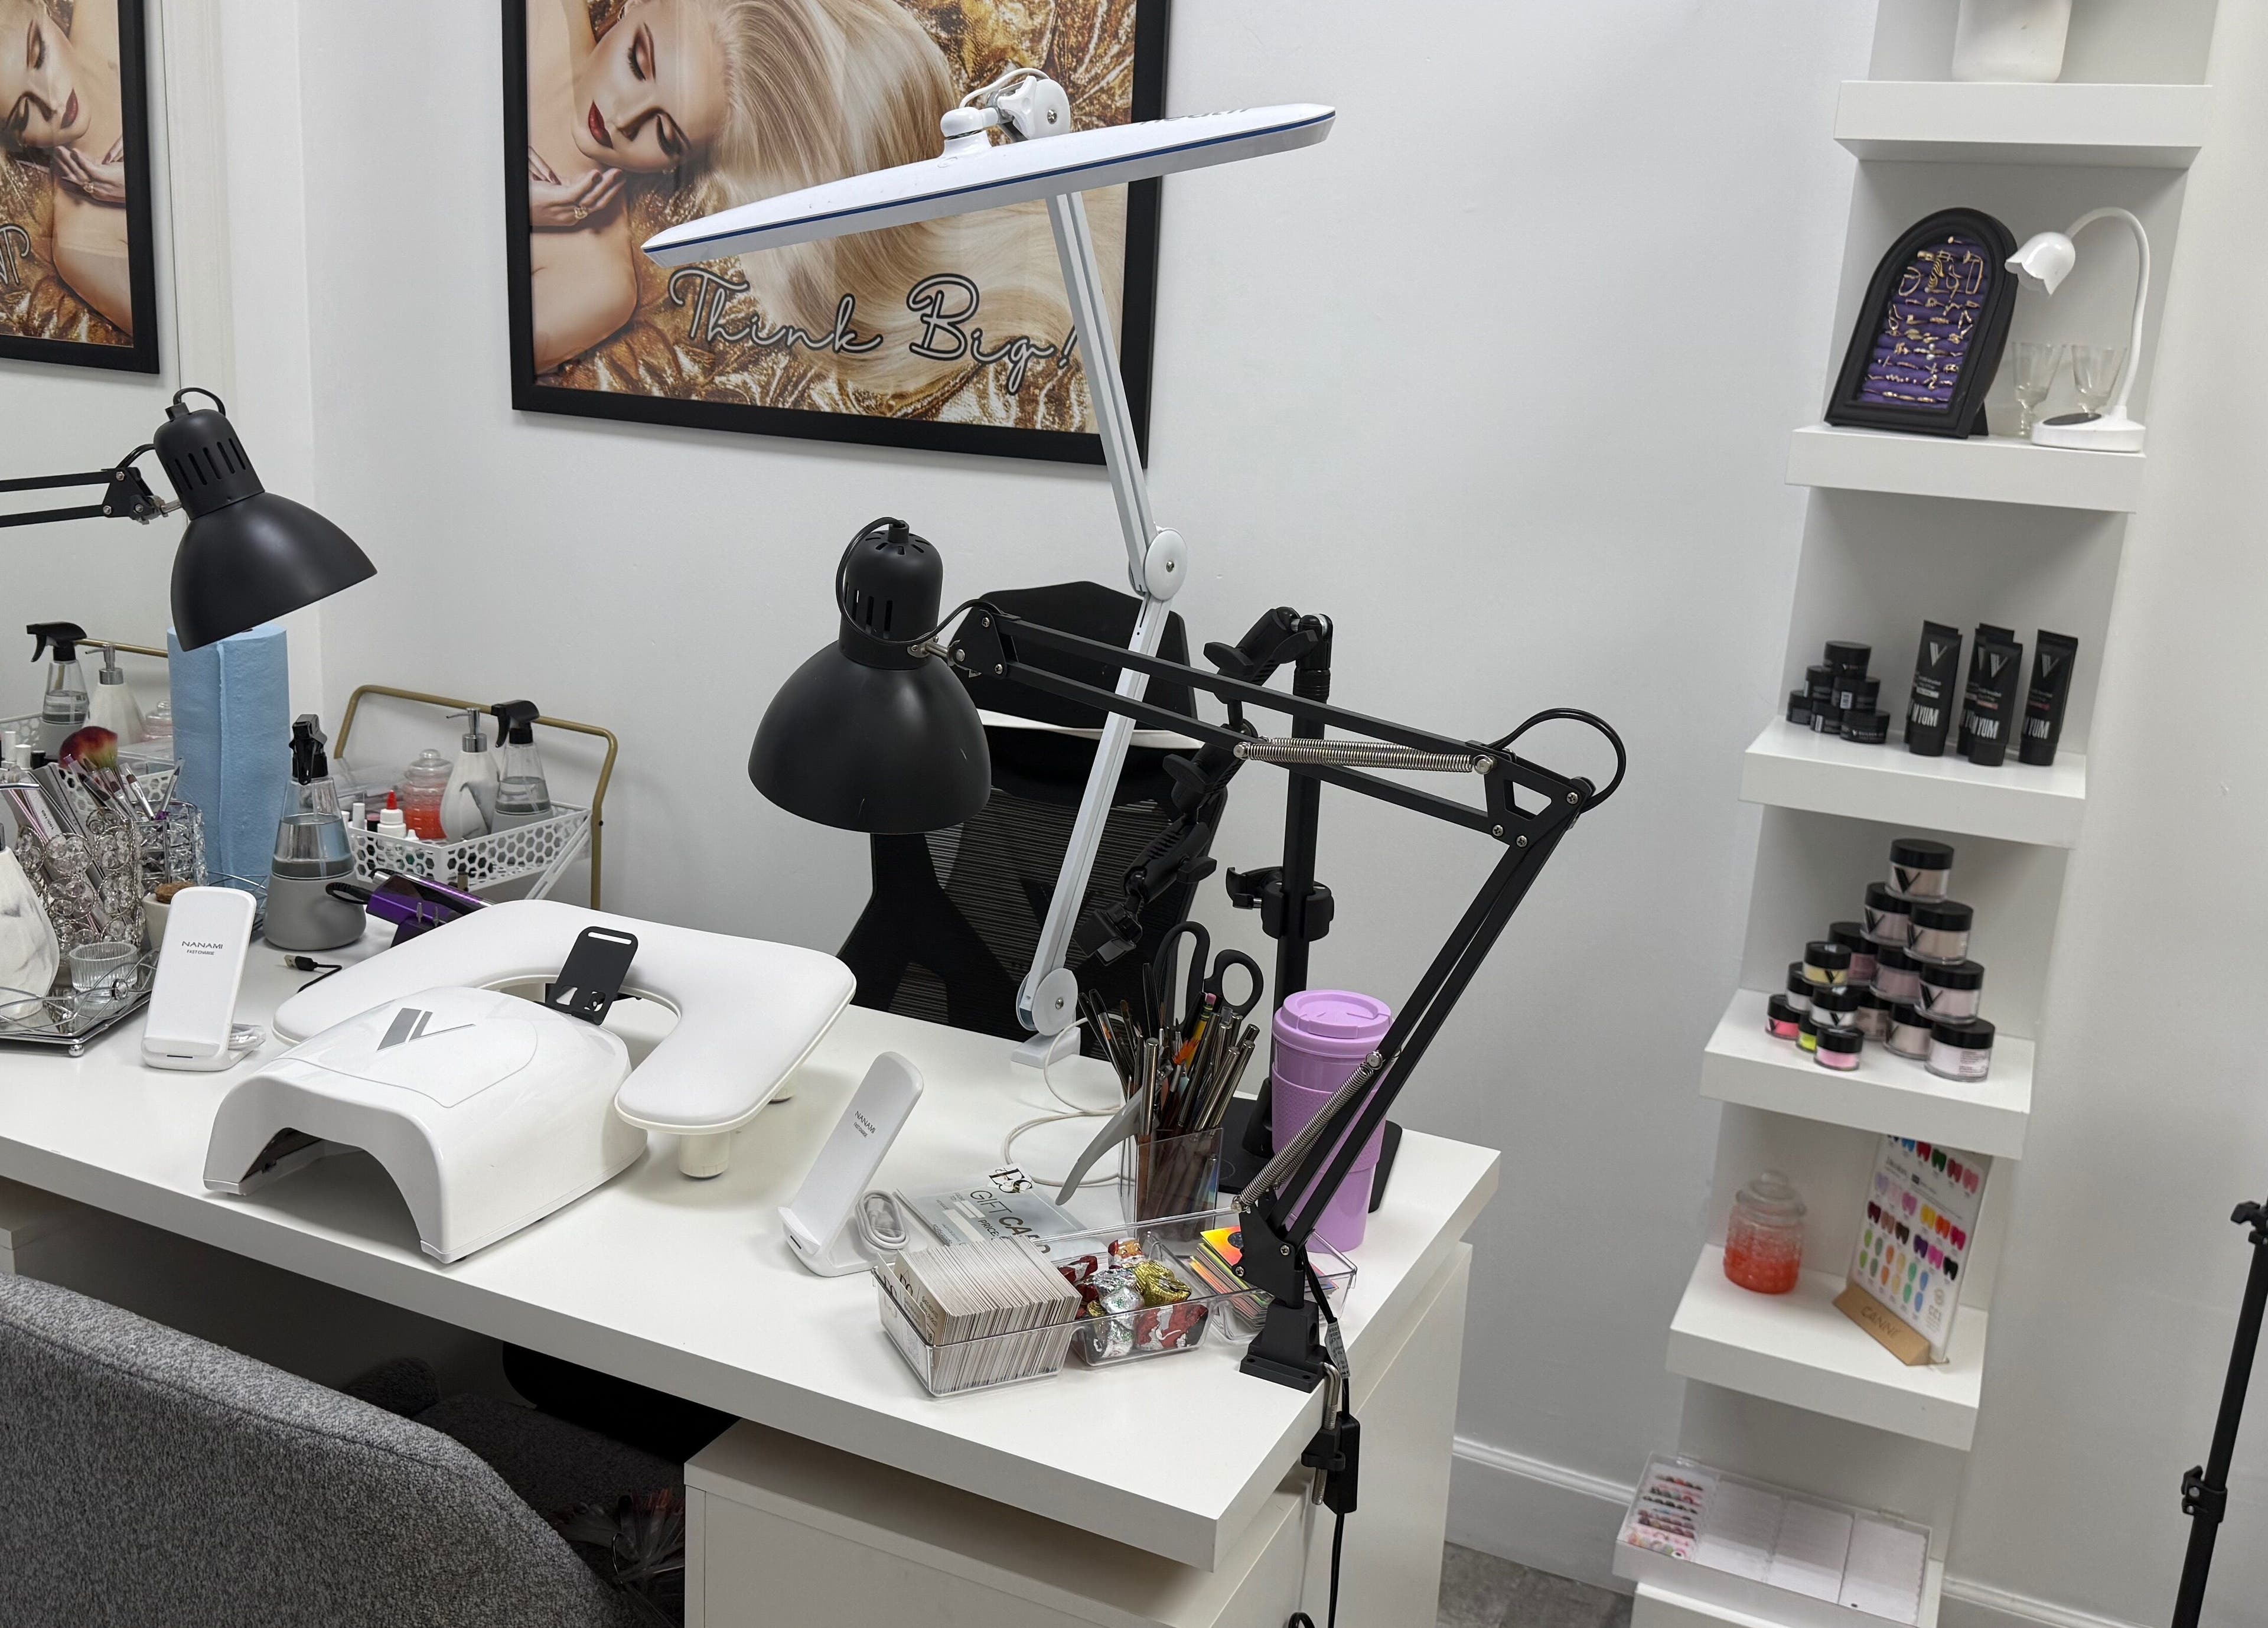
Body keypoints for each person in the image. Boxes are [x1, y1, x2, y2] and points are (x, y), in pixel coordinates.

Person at [527, 0, 1115, 403]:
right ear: (632, 5)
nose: (623, 118)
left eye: (665, 134)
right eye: (638, 60)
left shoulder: (597, 288)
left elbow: (455, 357)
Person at [0, 0, 135, 336]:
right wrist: (140, 195)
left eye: (40, 56)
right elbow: (192, 334)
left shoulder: (106, 10)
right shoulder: (81, 248)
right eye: (23, 113)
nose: (54, 103)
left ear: (45, 12)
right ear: (17, 141)